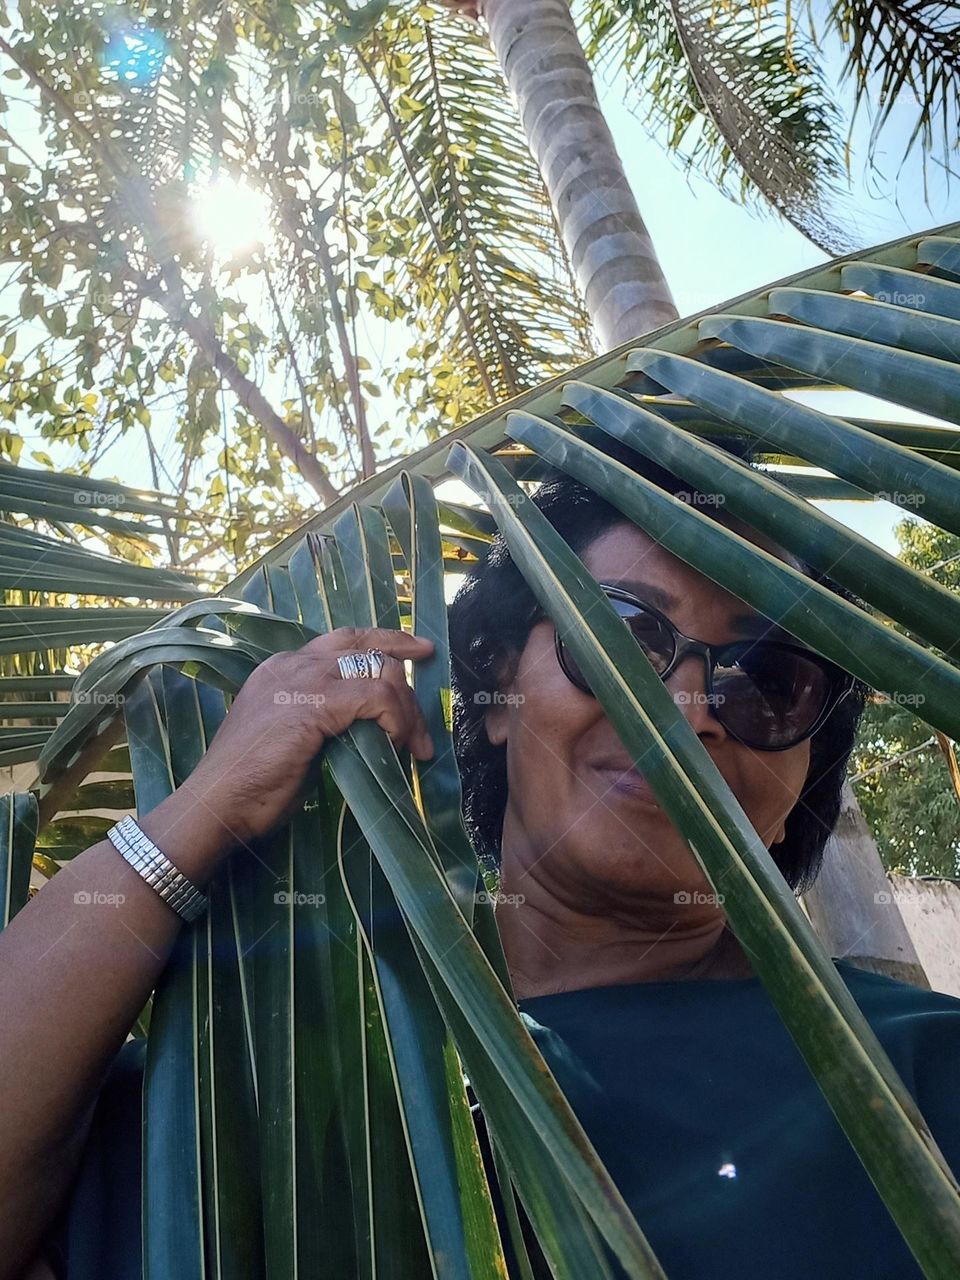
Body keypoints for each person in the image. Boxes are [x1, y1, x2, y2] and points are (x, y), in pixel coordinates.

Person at [2, 439, 958, 1280]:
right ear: (498, 678)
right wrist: (202, 807)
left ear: (807, 771)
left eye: (773, 683)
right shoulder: (240, 1084)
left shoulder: (917, 1074)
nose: (689, 709)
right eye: (622, 637)